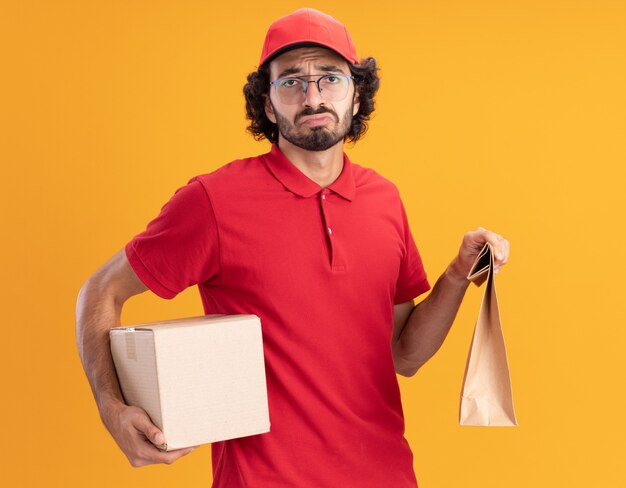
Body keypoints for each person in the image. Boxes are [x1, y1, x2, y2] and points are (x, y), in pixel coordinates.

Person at [76, 8, 510, 488]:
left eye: (330, 78)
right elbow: (101, 291)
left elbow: (403, 356)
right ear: (266, 104)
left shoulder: (384, 199)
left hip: (386, 475)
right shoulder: (213, 202)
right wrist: (112, 409)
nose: (312, 96)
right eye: (291, 82)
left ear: (356, 92)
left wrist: (456, 276)